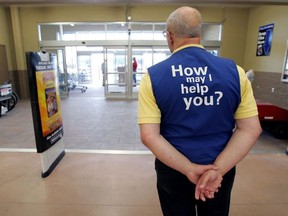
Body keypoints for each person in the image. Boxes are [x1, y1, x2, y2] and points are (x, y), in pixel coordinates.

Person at [138, 6, 262, 216]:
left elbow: (150, 135)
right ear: (199, 34)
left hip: (174, 171)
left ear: (169, 36)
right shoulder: (235, 72)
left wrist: (188, 168)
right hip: (219, 171)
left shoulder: (153, 77)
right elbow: (251, 129)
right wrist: (217, 170)